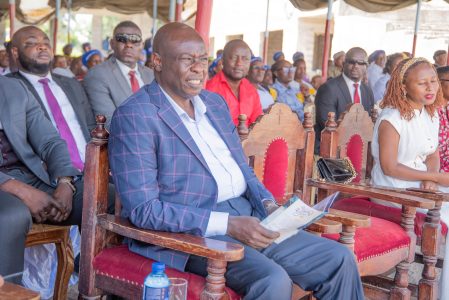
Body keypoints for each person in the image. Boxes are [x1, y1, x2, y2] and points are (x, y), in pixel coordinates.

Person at [108, 22, 364, 300]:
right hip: (191, 232)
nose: (198, 68)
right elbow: (144, 210)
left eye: (202, 59)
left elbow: (244, 172)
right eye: (187, 60)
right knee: (272, 280)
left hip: (250, 215)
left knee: (338, 258)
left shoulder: (214, 105)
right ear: (157, 61)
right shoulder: (137, 115)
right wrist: (227, 224)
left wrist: (269, 204)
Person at [371, 58, 449, 299]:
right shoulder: (391, 118)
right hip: (394, 189)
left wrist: (430, 178)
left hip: (419, 185)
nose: (431, 88)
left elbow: (433, 152)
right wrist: (433, 176)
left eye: (434, 82)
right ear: (404, 86)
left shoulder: (429, 114)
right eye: (422, 83)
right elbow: (390, 166)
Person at [0, 75, 83, 284]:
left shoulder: (13, 87)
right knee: (12, 215)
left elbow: (50, 142)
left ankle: (98, 285)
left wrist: (65, 182)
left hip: (31, 177)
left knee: (103, 197)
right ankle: (10, 293)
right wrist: (21, 191)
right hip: (5, 186)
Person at [8, 26, 96, 171]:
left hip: (92, 167)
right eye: (31, 43)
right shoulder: (9, 88)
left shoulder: (72, 84)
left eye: (46, 43)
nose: (42, 47)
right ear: (15, 52)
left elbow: (91, 126)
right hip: (48, 176)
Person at [83, 21, 154, 128]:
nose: (129, 45)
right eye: (122, 40)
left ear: (142, 45)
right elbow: (109, 122)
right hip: (126, 140)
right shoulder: (97, 75)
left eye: (135, 41)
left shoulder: (151, 75)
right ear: (112, 43)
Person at [315, 47, 374, 152]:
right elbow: (327, 125)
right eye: (351, 62)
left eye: (360, 63)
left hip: (360, 149)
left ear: (366, 67)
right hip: (331, 149)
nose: (355, 66)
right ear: (343, 64)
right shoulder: (329, 88)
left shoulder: (367, 91)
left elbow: (369, 122)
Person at [206, 39, 262, 126]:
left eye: (245, 59)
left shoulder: (251, 89)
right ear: (223, 61)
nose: (239, 63)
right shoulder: (209, 89)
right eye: (234, 58)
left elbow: (258, 125)